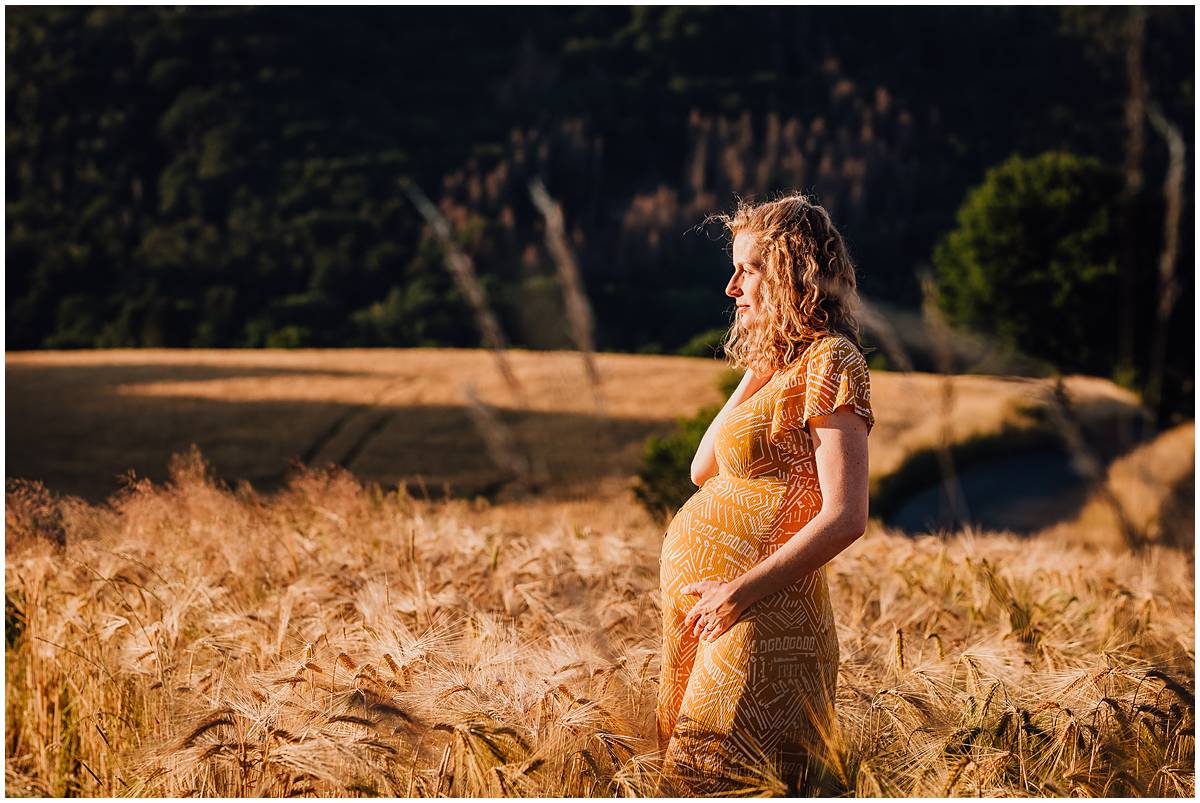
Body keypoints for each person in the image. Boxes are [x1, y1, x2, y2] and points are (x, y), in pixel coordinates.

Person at [656, 193, 874, 795]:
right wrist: (762, 359)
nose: (731, 287)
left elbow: (846, 516)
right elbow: (704, 468)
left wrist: (737, 592)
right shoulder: (784, 365)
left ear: (791, 271)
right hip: (717, 615)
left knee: (719, 782)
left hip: (762, 620)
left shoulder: (834, 362)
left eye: (748, 268)